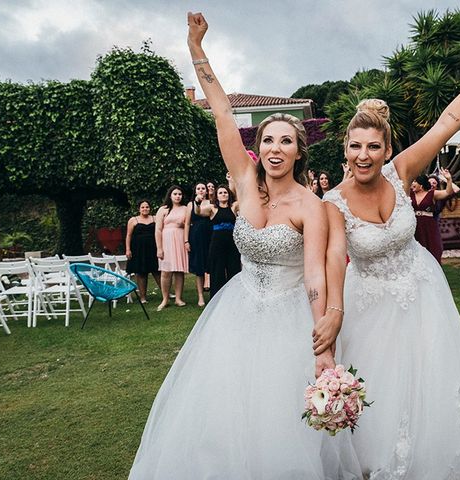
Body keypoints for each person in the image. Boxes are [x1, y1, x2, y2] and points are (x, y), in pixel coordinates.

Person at [129, 12, 360, 479]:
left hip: (287, 320)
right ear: (260, 147)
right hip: (235, 314)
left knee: (276, 420)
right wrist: (197, 49)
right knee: (222, 416)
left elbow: (315, 274)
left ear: (299, 151)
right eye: (268, 139)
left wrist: (323, 346)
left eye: (286, 141)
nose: (275, 148)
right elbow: (221, 112)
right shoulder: (245, 185)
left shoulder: (310, 208)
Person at [319, 17, 460, 479]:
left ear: (387, 147)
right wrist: (333, 313)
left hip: (423, 295)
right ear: (345, 149)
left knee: (434, 384)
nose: (364, 155)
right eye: (355, 147)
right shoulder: (333, 202)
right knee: (382, 394)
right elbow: (332, 259)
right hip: (369, 309)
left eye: (373, 146)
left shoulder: (401, 171)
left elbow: (449, 118)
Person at [194, 184, 241, 298]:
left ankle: (233, 296)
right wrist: (196, 201)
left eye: (225, 192)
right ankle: (217, 298)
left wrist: (231, 182)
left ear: (229, 195)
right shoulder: (212, 208)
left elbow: (242, 198)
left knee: (234, 269)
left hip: (232, 244)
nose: (223, 194)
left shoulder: (233, 207)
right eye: (220, 193)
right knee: (217, 271)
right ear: (216, 196)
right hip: (217, 244)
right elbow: (198, 212)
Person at [155, 185, 189, 311]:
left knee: (179, 271)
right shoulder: (163, 210)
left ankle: (178, 298)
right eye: (175, 194)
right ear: (170, 195)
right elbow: (158, 230)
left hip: (179, 239)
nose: (177, 196)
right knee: (166, 271)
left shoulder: (185, 209)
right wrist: (159, 248)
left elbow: (187, 226)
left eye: (179, 194)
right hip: (166, 241)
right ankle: (165, 298)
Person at [410, 170, 454, 263]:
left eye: (415, 182)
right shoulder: (410, 194)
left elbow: (448, 192)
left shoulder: (432, 194)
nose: (412, 183)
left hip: (429, 225)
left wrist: (449, 179)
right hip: (414, 225)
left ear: (421, 185)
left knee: (433, 249)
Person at [126, 199, 161, 303]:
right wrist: (128, 249)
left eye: (147, 207)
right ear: (139, 209)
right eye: (143, 207)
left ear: (150, 208)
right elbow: (128, 235)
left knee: (157, 271)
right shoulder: (133, 220)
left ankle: (166, 294)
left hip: (153, 248)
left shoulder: (155, 218)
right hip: (138, 250)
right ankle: (143, 297)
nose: (145, 209)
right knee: (141, 273)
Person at [184, 182, 212, 307]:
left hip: (211, 235)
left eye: (203, 188)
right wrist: (186, 240)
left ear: (207, 191)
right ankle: (200, 296)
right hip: (196, 236)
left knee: (212, 264)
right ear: (195, 191)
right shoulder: (191, 204)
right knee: (199, 267)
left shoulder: (212, 203)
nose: (201, 190)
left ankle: (214, 293)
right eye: (198, 188)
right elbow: (186, 223)